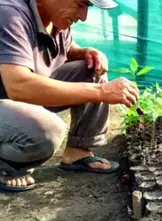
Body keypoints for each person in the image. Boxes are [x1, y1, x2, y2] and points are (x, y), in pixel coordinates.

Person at [0, 0, 139, 191]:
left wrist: (84, 52)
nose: (83, 17)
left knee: (92, 71)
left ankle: (77, 152)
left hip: (16, 96)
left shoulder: (54, 17)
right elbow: (19, 86)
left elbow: (66, 48)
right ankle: (7, 165)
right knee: (46, 131)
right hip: (12, 94)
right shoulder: (9, 13)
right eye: (81, 4)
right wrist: (101, 92)